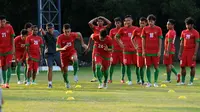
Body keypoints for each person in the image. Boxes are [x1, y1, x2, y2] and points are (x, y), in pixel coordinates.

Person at [56, 23, 87, 88]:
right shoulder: (60, 37)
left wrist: (82, 44)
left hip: (71, 52)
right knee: (65, 71)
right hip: (63, 55)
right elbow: (57, 48)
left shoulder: (73, 35)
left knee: (75, 59)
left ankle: (75, 74)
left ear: (70, 30)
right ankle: (67, 82)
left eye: (68, 31)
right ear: (63, 30)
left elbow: (79, 34)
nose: (67, 33)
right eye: (65, 32)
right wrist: (63, 48)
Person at [141, 14, 163, 87]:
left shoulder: (158, 29)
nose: (150, 23)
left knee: (156, 67)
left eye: (152, 21)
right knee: (147, 66)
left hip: (155, 51)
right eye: (149, 21)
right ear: (147, 21)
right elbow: (143, 40)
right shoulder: (145, 29)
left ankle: (155, 82)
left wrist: (159, 51)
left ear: (154, 21)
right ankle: (149, 82)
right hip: (147, 51)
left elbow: (160, 40)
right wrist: (143, 51)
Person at [115, 15, 138, 85]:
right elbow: (116, 37)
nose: (127, 22)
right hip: (126, 51)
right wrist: (121, 44)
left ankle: (139, 79)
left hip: (135, 50)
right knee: (127, 65)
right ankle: (130, 80)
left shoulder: (136, 29)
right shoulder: (122, 29)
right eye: (126, 20)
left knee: (137, 65)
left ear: (132, 21)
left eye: (129, 20)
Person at [88, 16, 111, 82]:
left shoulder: (104, 28)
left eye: (101, 21)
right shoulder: (95, 27)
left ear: (103, 22)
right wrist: (96, 18)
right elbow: (89, 23)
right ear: (96, 22)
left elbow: (109, 23)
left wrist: (103, 17)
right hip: (96, 46)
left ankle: (103, 75)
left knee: (104, 63)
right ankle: (95, 76)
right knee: (94, 61)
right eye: (98, 21)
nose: (99, 22)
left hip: (104, 46)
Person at [178, 17, 199, 86]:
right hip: (184, 51)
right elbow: (181, 43)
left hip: (191, 51)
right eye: (186, 24)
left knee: (192, 67)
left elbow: (197, 44)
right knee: (182, 66)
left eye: (188, 24)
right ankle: (183, 81)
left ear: (192, 25)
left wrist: (195, 54)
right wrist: (180, 52)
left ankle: (191, 81)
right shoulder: (183, 32)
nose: (187, 26)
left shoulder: (196, 33)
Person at [40, 23, 62, 88]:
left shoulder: (57, 32)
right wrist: (42, 31)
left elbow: (59, 39)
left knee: (62, 67)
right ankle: (50, 84)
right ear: (46, 29)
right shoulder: (45, 34)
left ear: (53, 28)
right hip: (49, 53)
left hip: (56, 52)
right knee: (50, 68)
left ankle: (66, 81)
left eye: (51, 28)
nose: (50, 29)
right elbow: (44, 34)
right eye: (48, 28)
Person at [163, 19, 180, 83]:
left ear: (172, 25)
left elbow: (169, 43)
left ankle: (168, 79)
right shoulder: (173, 31)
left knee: (168, 65)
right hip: (171, 50)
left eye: (168, 24)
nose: (167, 25)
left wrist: (167, 51)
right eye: (167, 24)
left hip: (169, 50)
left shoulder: (170, 32)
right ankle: (176, 74)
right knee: (169, 64)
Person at [0, 15, 15, 88]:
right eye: (2, 22)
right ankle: (4, 82)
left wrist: (13, 48)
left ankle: (7, 83)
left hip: (9, 50)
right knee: (3, 67)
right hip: (1, 51)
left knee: (8, 65)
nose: (3, 23)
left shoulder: (9, 27)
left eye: (4, 21)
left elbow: (12, 38)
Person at [131, 17, 147, 85]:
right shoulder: (136, 30)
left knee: (147, 66)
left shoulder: (148, 30)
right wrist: (135, 46)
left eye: (143, 23)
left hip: (147, 50)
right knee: (140, 66)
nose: (142, 24)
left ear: (146, 23)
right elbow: (132, 38)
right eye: (140, 23)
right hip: (139, 50)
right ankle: (141, 80)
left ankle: (147, 80)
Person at [108, 17, 125, 83]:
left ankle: (122, 78)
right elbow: (109, 40)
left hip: (122, 51)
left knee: (123, 64)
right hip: (114, 51)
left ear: (121, 23)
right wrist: (110, 48)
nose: (117, 24)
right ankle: (110, 78)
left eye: (118, 23)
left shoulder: (123, 30)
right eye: (116, 23)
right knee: (112, 64)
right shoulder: (112, 31)